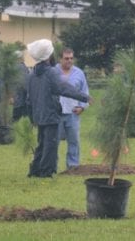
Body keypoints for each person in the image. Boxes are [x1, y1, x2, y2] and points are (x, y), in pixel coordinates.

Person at [26, 39, 92, 178]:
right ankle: (46, 172)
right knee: (50, 145)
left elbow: (29, 97)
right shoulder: (51, 73)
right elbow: (63, 88)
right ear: (49, 56)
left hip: (39, 114)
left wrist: (32, 116)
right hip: (51, 114)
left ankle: (35, 170)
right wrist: (84, 97)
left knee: (42, 144)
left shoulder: (32, 73)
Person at [56, 47, 89, 172]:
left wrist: (82, 106)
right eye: (66, 58)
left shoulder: (79, 73)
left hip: (73, 113)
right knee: (54, 142)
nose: (69, 61)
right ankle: (52, 166)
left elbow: (84, 92)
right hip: (56, 113)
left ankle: (73, 167)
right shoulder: (53, 72)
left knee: (74, 141)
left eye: (71, 58)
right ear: (60, 59)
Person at [12, 51, 30, 122]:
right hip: (23, 99)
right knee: (23, 119)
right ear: (20, 58)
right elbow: (25, 83)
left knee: (15, 118)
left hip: (16, 97)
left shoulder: (13, 67)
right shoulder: (21, 67)